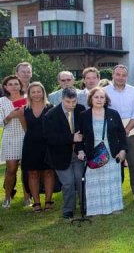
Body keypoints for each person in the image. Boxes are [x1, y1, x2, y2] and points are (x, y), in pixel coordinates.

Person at [104, 65, 134, 205]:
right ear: (113, 75)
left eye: (124, 75)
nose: (121, 77)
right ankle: (114, 195)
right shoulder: (105, 91)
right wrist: (118, 132)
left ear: (127, 76)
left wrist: (127, 129)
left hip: (132, 130)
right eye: (118, 74)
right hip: (111, 131)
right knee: (114, 164)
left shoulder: (133, 91)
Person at [80, 87, 126, 216]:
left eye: (102, 97)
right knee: (94, 180)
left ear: (106, 100)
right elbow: (79, 136)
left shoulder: (113, 114)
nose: (99, 100)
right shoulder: (84, 115)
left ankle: (115, 207)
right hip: (92, 152)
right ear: (91, 99)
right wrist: (80, 151)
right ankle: (96, 210)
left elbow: (121, 134)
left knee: (111, 180)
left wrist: (122, 150)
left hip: (111, 152)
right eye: (96, 97)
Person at [43, 87, 86, 220]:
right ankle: (68, 209)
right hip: (60, 155)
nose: (71, 105)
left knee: (80, 180)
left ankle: (84, 206)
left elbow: (83, 132)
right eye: (68, 102)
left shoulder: (80, 109)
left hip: (78, 153)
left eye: (74, 101)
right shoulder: (51, 115)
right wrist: (71, 138)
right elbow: (50, 138)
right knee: (68, 182)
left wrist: (80, 149)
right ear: (61, 99)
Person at [21, 82, 55, 212]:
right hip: (31, 144)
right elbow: (25, 127)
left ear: (43, 92)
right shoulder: (24, 110)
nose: (36, 94)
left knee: (48, 172)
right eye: (33, 92)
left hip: (47, 144)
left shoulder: (51, 107)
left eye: (38, 91)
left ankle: (48, 201)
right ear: (29, 94)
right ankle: (36, 203)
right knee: (33, 173)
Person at [1, 75, 26, 209]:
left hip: (26, 136)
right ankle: (7, 197)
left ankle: (28, 197)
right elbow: (0, 122)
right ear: (6, 87)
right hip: (10, 137)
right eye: (10, 84)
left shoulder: (28, 98)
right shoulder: (2, 101)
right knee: (11, 169)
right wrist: (10, 116)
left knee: (26, 169)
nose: (14, 87)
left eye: (16, 84)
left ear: (20, 85)